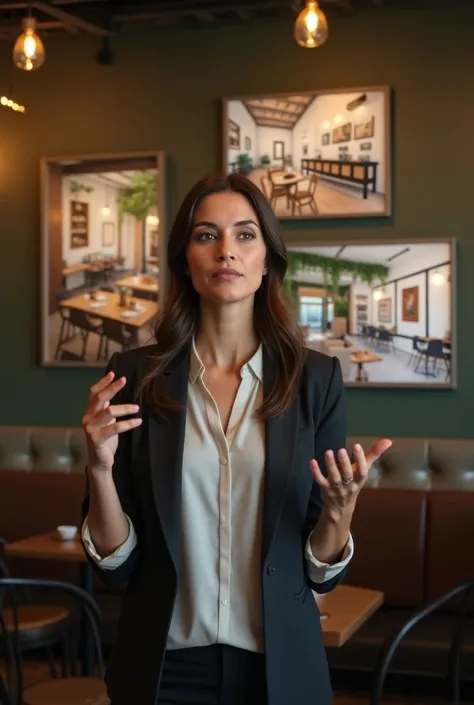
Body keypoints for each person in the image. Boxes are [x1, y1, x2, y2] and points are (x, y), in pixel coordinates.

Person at [80, 173, 391, 705]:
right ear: (185, 260)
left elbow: (320, 573)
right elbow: (117, 565)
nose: (227, 250)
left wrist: (339, 512)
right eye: (207, 235)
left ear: (267, 258)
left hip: (280, 669)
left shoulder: (317, 380)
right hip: (161, 669)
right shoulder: (134, 375)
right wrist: (98, 470)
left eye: (245, 235)